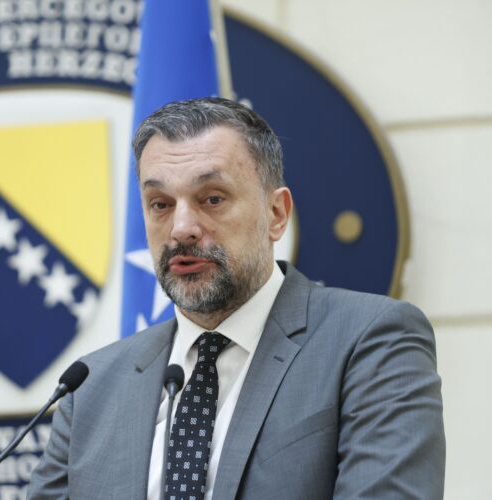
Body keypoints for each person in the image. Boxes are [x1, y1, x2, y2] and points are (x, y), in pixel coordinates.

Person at [27, 97, 445, 499]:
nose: (181, 229)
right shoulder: (89, 387)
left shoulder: (371, 340)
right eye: (160, 204)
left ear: (276, 214)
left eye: (212, 199)